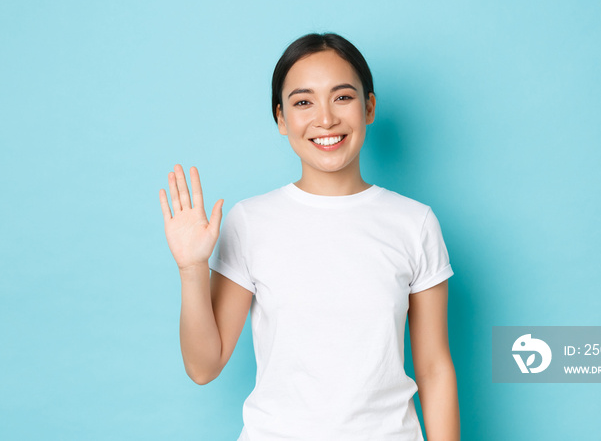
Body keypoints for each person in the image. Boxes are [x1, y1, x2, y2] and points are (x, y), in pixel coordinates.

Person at [159, 33, 460, 440]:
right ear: (281, 119)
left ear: (368, 107)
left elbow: (434, 368)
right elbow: (203, 367)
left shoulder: (414, 222)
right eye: (303, 102)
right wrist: (192, 268)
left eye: (342, 97)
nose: (325, 119)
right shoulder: (250, 221)